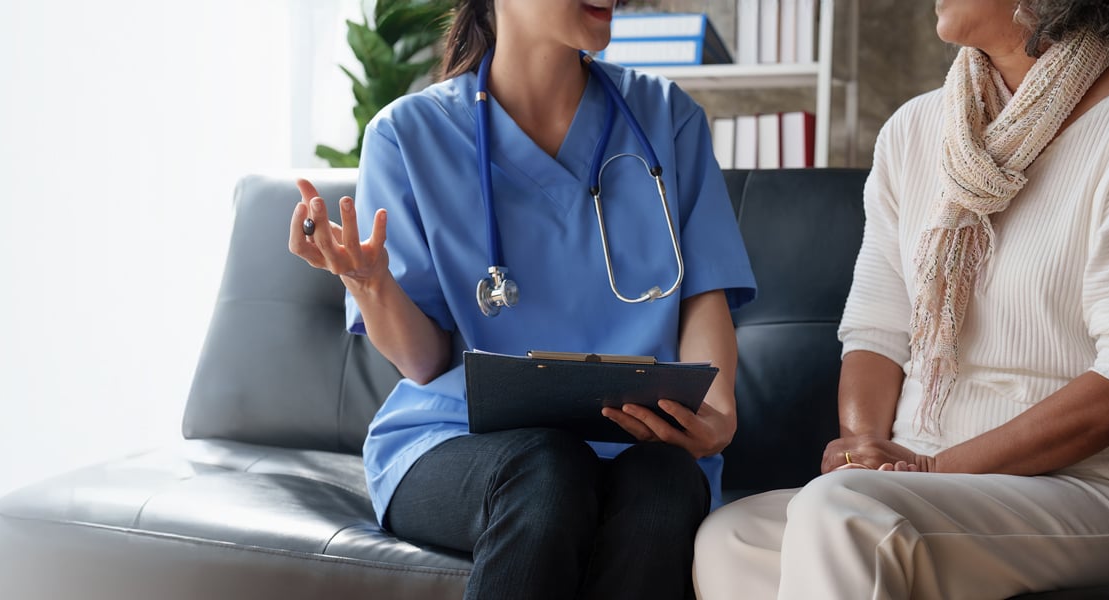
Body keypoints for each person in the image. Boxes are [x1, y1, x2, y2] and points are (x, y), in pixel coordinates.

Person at [693, 0, 1109, 598]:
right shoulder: (915, 129)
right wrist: (867, 448)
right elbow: (876, 331)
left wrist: (933, 471)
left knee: (844, 515)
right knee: (732, 536)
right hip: (924, 477)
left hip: (1104, 485)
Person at [285, 0, 758, 597]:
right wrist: (370, 282)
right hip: (453, 442)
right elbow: (423, 362)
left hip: (640, 441)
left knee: (666, 483)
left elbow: (701, 294)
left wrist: (719, 417)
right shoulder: (407, 137)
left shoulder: (667, 117)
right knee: (548, 467)